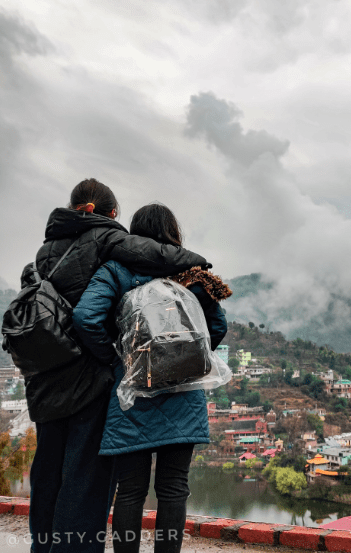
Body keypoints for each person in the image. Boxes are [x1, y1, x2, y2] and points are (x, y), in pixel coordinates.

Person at [21, 179, 208, 553]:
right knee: (89, 479)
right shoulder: (107, 241)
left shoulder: (45, 252)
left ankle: (44, 546)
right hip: (90, 380)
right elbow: (92, 313)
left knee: (50, 475)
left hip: (45, 379)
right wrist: (197, 263)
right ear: (111, 214)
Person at [72, 203, 231, 553]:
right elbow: (217, 326)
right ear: (173, 233)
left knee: (130, 489)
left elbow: (86, 317)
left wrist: (120, 360)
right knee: (174, 487)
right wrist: (187, 361)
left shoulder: (116, 269)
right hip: (183, 395)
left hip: (133, 394)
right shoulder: (191, 272)